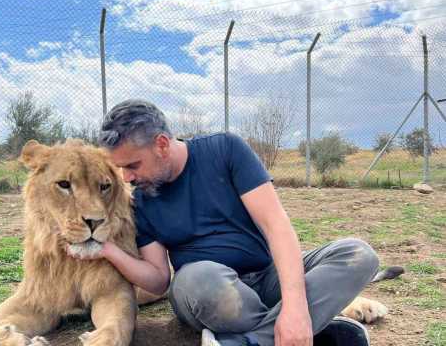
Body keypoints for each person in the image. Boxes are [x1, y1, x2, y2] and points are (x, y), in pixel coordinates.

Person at [71, 99, 379, 346]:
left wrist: (296, 308)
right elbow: (158, 280)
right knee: (200, 278)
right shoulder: (142, 199)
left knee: (358, 254)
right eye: (120, 168)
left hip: (264, 280)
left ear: (162, 144)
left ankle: (253, 340)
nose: (127, 177)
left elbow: (276, 225)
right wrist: (108, 250)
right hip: (205, 294)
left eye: (133, 165)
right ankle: (311, 329)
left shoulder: (225, 150)